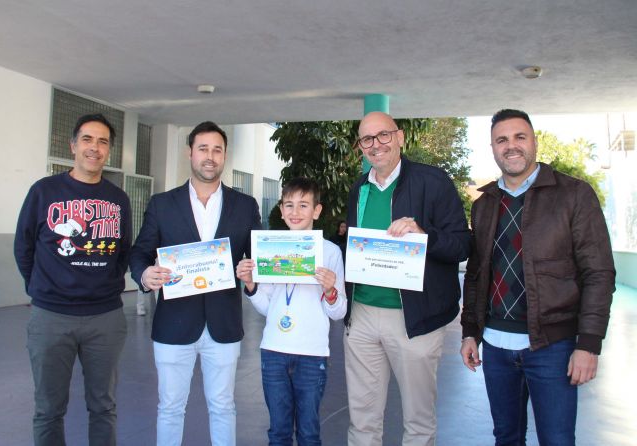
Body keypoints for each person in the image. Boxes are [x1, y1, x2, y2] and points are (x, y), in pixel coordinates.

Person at [460, 109, 615, 445]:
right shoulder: (485, 203)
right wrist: (470, 330)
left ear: (534, 142)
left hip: (552, 347)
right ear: (492, 147)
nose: (511, 146)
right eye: (502, 139)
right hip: (497, 347)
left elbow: (598, 272)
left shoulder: (574, 194)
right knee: (506, 437)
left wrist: (589, 343)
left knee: (557, 439)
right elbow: (476, 273)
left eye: (520, 137)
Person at [129, 121, 261, 446]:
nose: (210, 156)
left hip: (224, 325)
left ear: (225, 155)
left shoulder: (245, 206)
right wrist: (145, 275)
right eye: (203, 148)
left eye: (217, 150)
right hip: (174, 324)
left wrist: (252, 276)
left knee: (223, 406)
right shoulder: (162, 204)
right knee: (170, 408)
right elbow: (139, 252)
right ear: (190, 152)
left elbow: (257, 259)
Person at [344, 111, 471, 446]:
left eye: (383, 135)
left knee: (418, 421)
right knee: (362, 420)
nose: (376, 144)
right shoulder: (358, 189)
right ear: (361, 147)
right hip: (362, 317)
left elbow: (462, 244)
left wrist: (423, 235)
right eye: (367, 139)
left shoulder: (433, 181)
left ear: (399, 137)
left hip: (415, 319)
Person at [14, 114, 132, 446]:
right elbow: (24, 246)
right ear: (73, 145)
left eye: (103, 141)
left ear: (108, 150)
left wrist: (105, 284)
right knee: (48, 409)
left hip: (105, 317)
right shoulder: (43, 191)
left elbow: (123, 251)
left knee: (103, 406)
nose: (94, 148)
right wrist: (42, 288)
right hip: (51, 316)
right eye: (87, 139)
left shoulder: (118, 199)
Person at [236, 177, 347, 445]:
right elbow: (267, 306)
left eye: (303, 205)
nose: (295, 212)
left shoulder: (330, 252)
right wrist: (251, 286)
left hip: (312, 354)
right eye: (289, 205)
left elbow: (338, 312)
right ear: (282, 211)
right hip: (273, 351)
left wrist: (331, 291)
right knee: (278, 431)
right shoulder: (271, 250)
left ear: (316, 211)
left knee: (309, 432)